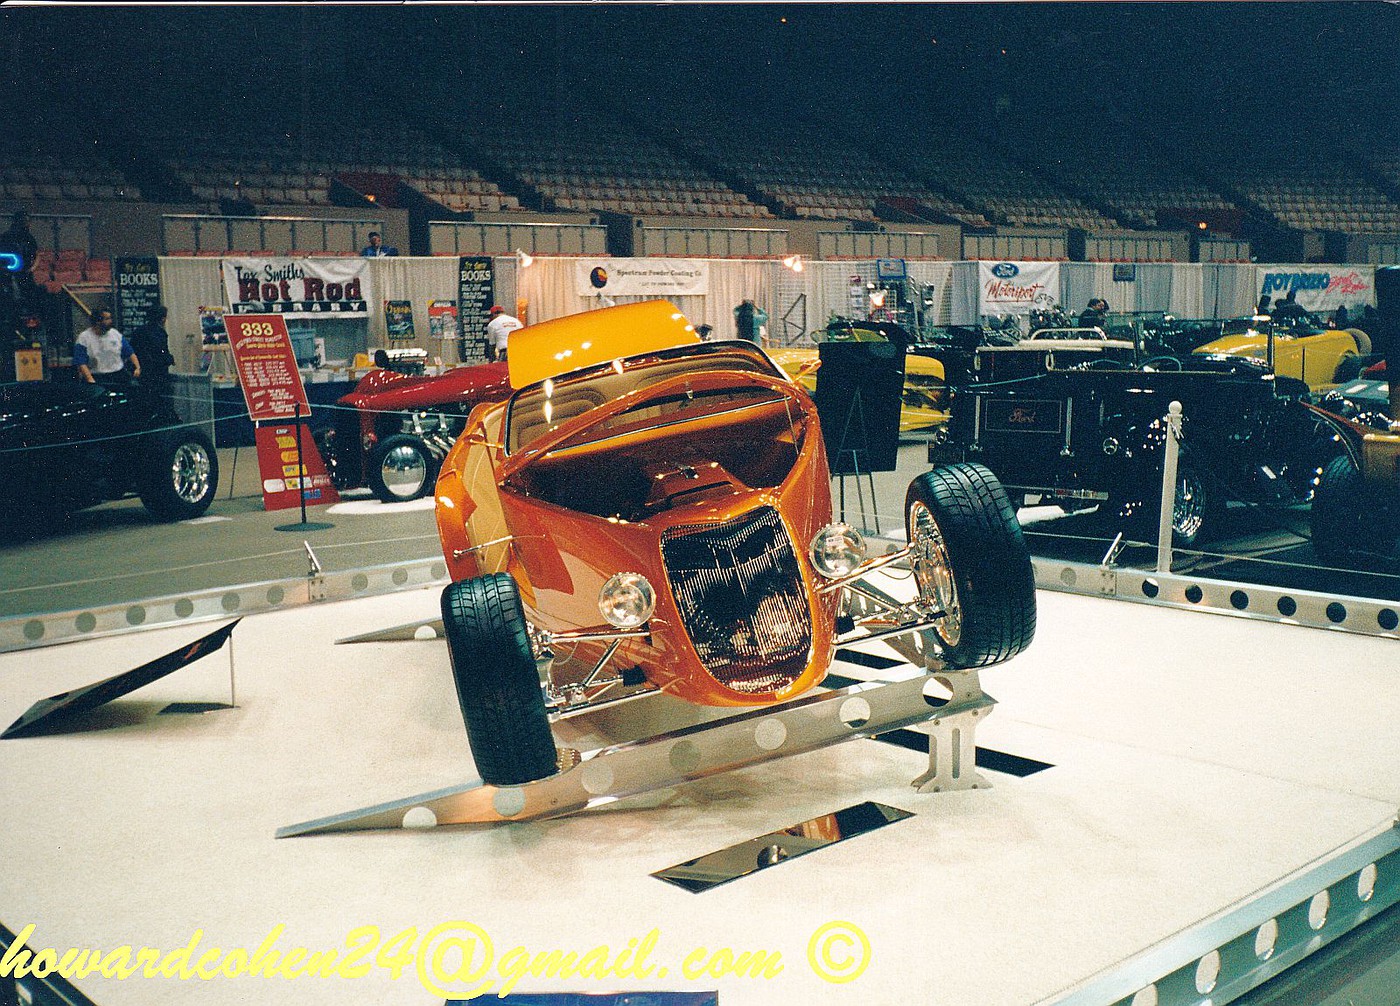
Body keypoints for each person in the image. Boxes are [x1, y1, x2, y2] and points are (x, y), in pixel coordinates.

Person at [75, 308, 140, 385]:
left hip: (118, 374)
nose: (111, 321)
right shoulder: (84, 338)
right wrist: (91, 380)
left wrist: (137, 367)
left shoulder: (115, 334)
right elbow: (81, 363)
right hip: (97, 376)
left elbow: (130, 353)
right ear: (98, 321)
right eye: (107, 319)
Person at [129, 304, 176, 400]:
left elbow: (132, 350)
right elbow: (161, 351)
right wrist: (170, 358)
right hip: (157, 373)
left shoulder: (138, 331)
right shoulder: (160, 333)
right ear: (162, 319)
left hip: (142, 372)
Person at [0, 209, 39, 274]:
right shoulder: (7, 236)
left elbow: (36, 255)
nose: (27, 224)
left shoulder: (28, 237)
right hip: (10, 272)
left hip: (21, 271)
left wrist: (31, 269)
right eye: (24, 221)